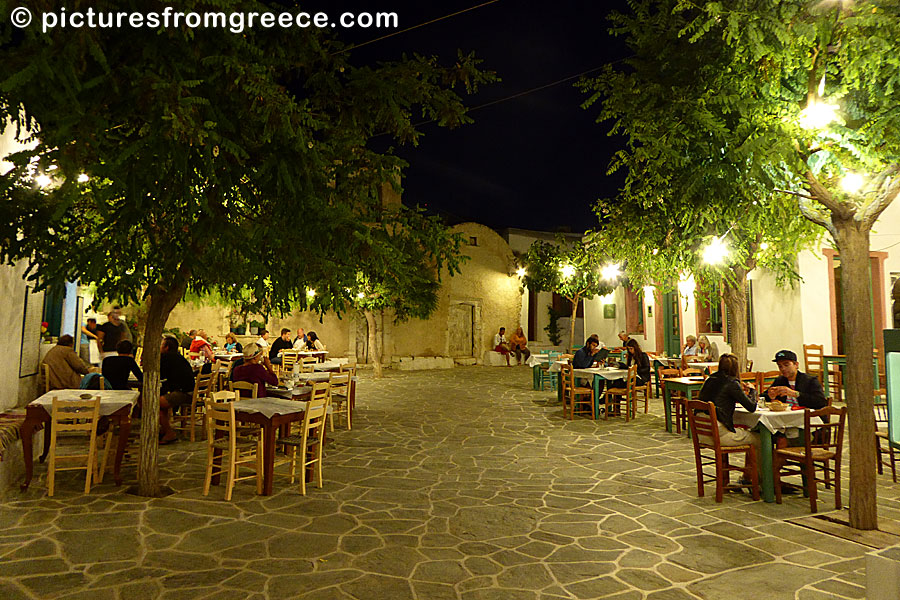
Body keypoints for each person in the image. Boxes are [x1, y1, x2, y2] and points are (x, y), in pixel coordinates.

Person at [764, 349, 829, 486]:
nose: (783, 369)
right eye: (780, 366)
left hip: (810, 428)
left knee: (781, 441)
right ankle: (759, 478)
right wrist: (770, 396)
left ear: (796, 364)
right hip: (785, 424)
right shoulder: (780, 380)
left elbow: (820, 402)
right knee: (759, 438)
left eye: (786, 365)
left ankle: (769, 482)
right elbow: (764, 397)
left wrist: (795, 394)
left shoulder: (810, 380)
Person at [696, 353, 760, 482]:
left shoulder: (710, 379)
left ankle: (747, 476)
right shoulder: (732, 383)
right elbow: (751, 407)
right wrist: (753, 391)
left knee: (750, 435)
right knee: (760, 439)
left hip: (703, 433)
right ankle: (758, 479)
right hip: (719, 435)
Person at [159, 336, 196, 444]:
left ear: (166, 347)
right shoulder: (178, 357)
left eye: (161, 345)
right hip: (188, 391)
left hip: (184, 393)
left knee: (155, 404)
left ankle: (169, 432)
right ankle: (164, 430)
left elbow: (160, 375)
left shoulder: (167, 357)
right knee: (160, 405)